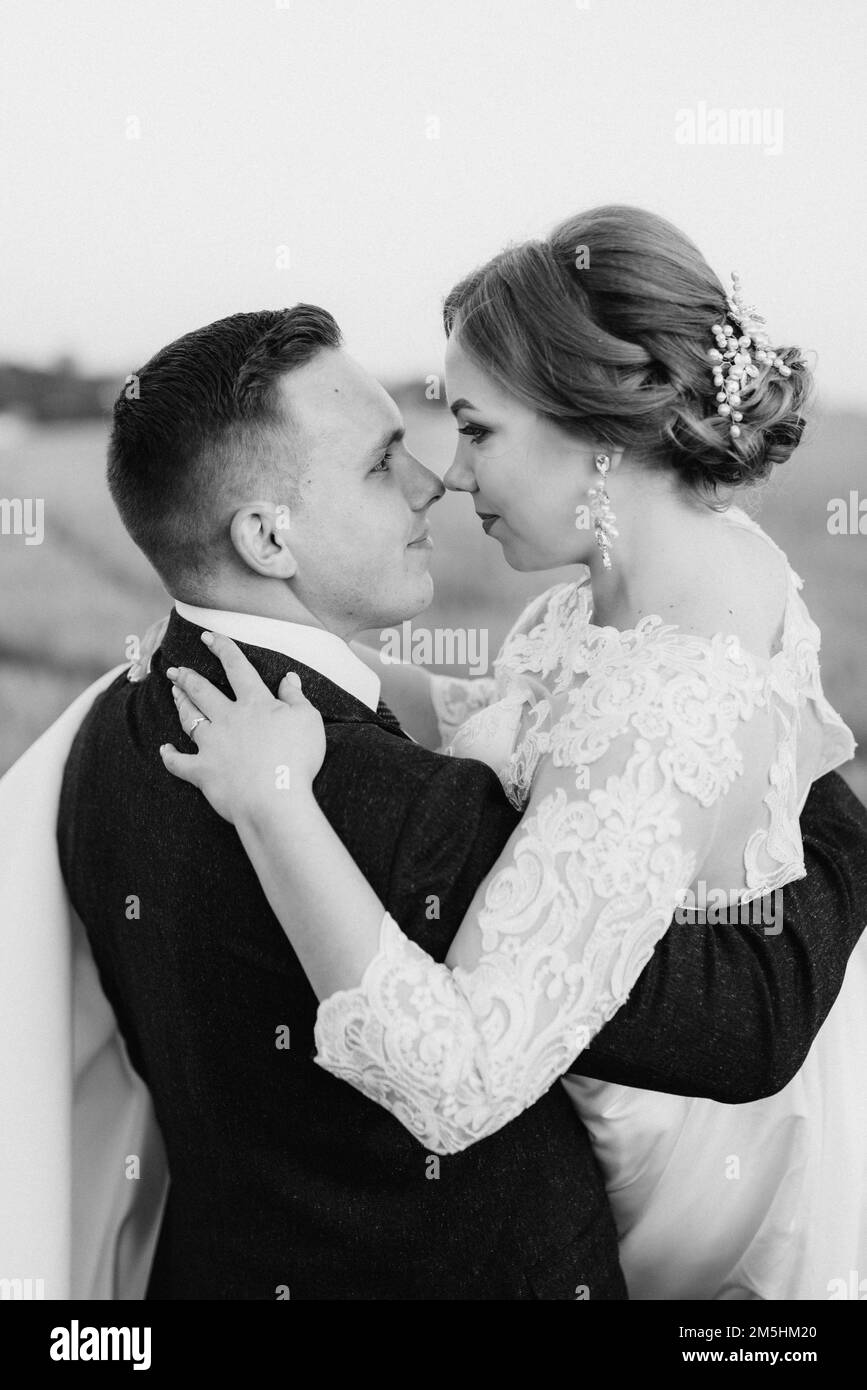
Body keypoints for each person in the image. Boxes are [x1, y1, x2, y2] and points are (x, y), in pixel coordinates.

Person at [159, 207, 867, 1299]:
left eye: (477, 429)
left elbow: (461, 1079)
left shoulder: (663, 703)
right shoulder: (669, 573)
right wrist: (323, 654)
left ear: (599, 433)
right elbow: (520, 716)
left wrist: (276, 801)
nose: (447, 474)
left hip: (676, 1182)